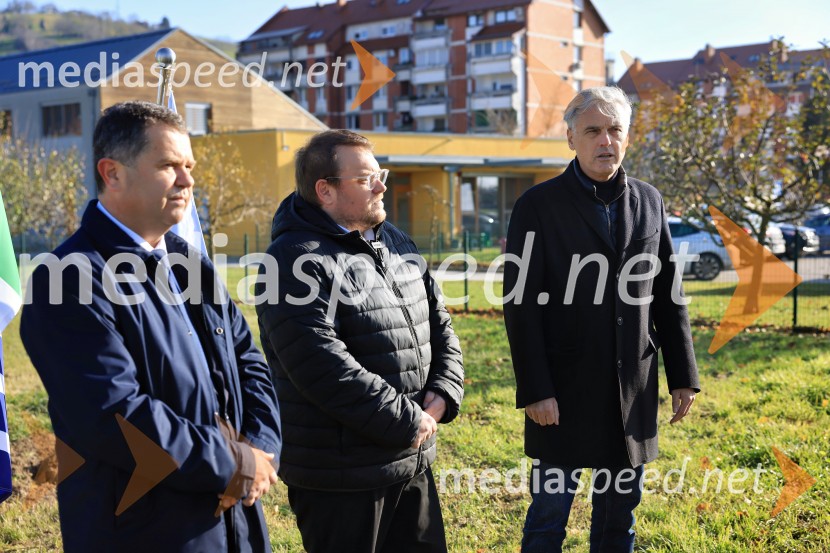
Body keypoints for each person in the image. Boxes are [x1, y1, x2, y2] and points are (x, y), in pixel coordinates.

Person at [20, 101, 282, 552]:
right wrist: (232, 464)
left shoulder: (189, 263)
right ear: (113, 173)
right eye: (168, 166)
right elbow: (114, 415)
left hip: (235, 520)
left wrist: (259, 450)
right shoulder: (68, 277)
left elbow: (249, 362)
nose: (187, 180)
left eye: (189, 166)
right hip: (144, 531)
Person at [503, 87, 700, 553]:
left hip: (631, 388)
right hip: (562, 391)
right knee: (549, 516)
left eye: (615, 130)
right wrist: (536, 389)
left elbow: (668, 293)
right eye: (593, 130)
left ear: (627, 138)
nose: (605, 140)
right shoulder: (538, 205)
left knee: (619, 517)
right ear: (571, 137)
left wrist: (683, 375)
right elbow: (520, 304)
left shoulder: (650, 201)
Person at [255, 129, 464, 553]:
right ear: (325, 191)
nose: (382, 185)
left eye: (380, 173)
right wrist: (408, 420)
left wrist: (445, 389)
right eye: (367, 178)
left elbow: (439, 322)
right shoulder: (292, 260)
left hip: (411, 460)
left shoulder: (395, 241)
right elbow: (319, 365)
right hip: (341, 477)